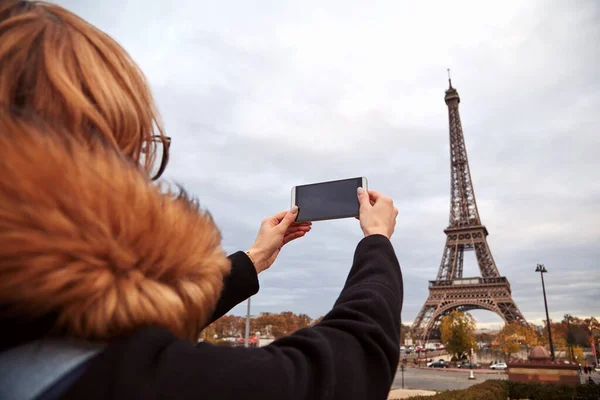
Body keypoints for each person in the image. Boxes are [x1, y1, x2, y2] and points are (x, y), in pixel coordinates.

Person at [0, 2, 403, 400]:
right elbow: (349, 364)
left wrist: (255, 258)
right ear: (91, 160)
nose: (140, 173)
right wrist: (377, 240)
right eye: (135, 149)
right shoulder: (137, 380)